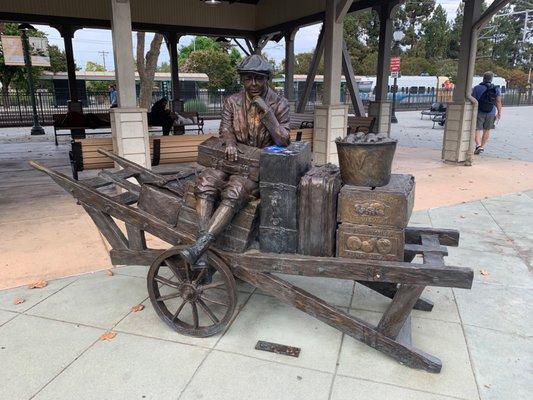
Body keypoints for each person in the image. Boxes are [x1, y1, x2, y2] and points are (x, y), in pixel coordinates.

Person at [182, 54, 290, 266]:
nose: (253, 84)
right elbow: (225, 128)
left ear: (267, 78)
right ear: (242, 79)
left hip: (257, 168)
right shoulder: (233, 101)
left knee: (235, 190)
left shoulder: (280, 103)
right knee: (205, 183)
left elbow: (283, 140)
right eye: (248, 78)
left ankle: (200, 247)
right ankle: (202, 247)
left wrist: (266, 112)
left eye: (258, 78)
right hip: (230, 160)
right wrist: (230, 143)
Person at [472, 71, 502, 155]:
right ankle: (482, 146)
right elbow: (498, 101)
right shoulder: (496, 88)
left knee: (477, 129)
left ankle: (477, 145)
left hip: (479, 111)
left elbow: (473, 100)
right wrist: (499, 112)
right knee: (487, 130)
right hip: (491, 112)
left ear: (483, 78)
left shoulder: (477, 88)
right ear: (491, 79)